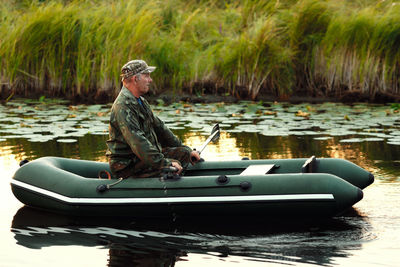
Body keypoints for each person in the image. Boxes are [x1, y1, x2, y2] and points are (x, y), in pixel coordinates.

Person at [106, 59, 200, 178]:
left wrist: (188, 149)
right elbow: (138, 142)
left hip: (141, 159)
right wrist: (165, 163)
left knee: (184, 153)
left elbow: (160, 128)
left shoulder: (140, 101)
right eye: (147, 76)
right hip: (127, 166)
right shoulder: (123, 106)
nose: (150, 80)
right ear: (135, 79)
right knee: (173, 165)